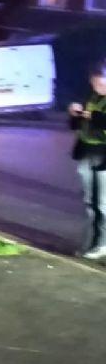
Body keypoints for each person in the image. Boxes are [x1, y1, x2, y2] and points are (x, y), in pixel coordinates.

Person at [69, 59, 106, 259]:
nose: (96, 87)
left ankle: (102, 243)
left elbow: (100, 120)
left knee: (102, 204)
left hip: (103, 156)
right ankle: (92, 242)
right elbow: (77, 126)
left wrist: (94, 116)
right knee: (89, 202)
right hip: (86, 153)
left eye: (101, 83)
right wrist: (74, 115)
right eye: (94, 83)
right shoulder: (92, 97)